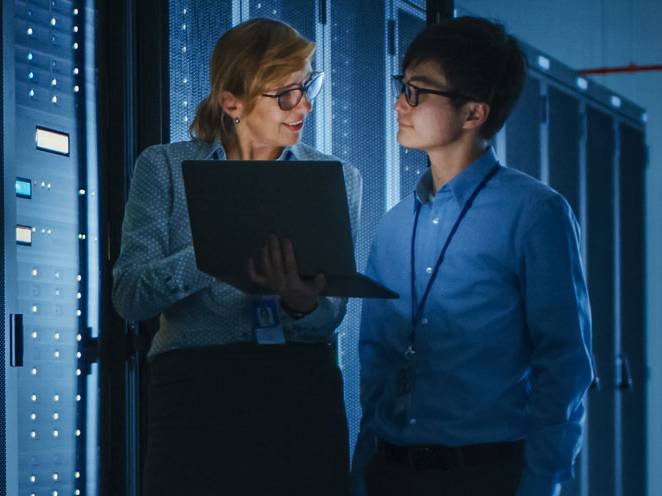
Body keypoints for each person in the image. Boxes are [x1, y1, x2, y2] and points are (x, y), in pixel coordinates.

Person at [112, 18, 361, 496]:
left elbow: (329, 319)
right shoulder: (164, 166)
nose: (303, 106)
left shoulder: (335, 176)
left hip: (299, 391)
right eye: (285, 94)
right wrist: (213, 250)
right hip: (196, 395)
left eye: (308, 87)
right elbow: (129, 297)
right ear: (232, 102)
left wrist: (300, 302)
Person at [352, 16, 593, 496]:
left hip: (486, 477)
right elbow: (376, 361)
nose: (400, 103)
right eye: (403, 86)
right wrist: (363, 470)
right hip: (391, 473)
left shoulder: (534, 213)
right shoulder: (395, 224)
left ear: (474, 113)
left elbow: (563, 364)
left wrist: (540, 482)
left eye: (419, 92)